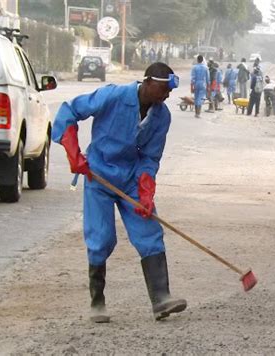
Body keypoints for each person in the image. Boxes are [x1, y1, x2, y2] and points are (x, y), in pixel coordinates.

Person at [51, 62, 187, 323]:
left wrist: (145, 190)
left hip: (131, 179)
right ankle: (97, 302)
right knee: (101, 237)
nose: (166, 95)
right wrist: (73, 151)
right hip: (98, 174)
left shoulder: (162, 116)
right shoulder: (113, 96)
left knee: (149, 232)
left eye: (169, 91)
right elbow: (69, 111)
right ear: (147, 82)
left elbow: (150, 156)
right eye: (163, 89)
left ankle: (161, 298)